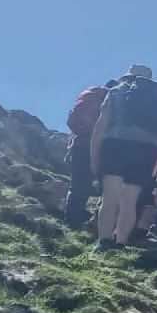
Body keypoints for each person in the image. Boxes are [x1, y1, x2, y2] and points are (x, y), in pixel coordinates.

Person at [89, 65, 157, 252]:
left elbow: (101, 125)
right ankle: (120, 243)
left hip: (116, 146)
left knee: (110, 198)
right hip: (146, 151)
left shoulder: (116, 91)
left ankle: (104, 242)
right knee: (130, 201)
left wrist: (94, 156)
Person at [64, 81, 117, 228]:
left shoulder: (90, 95)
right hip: (99, 145)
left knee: (77, 185)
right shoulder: (110, 98)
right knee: (105, 187)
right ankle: (99, 224)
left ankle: (71, 222)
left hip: (79, 143)